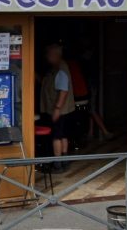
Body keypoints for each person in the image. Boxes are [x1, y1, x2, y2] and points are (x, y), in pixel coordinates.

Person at [39, 43, 76, 172]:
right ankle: (64, 160)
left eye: (48, 55)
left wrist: (57, 108)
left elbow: (63, 90)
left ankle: (58, 164)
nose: (46, 58)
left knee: (56, 136)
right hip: (63, 110)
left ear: (55, 55)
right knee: (63, 135)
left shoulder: (61, 70)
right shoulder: (56, 68)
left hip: (59, 110)